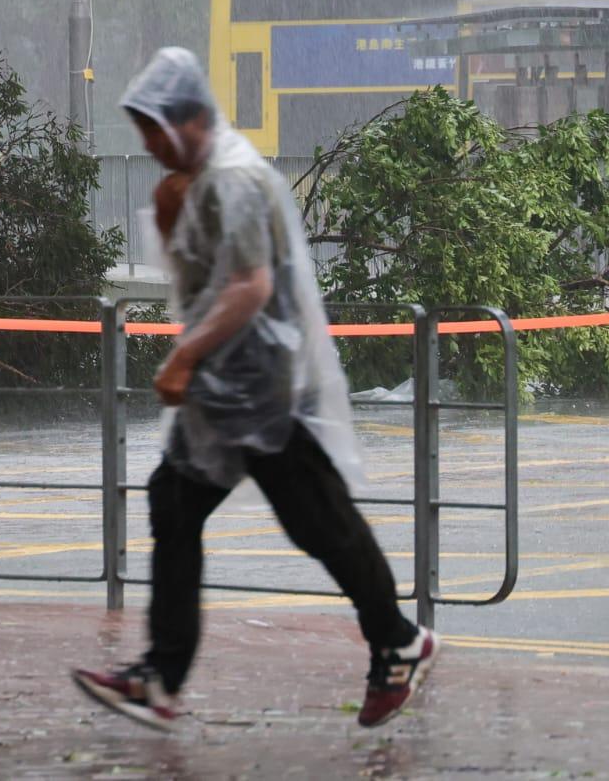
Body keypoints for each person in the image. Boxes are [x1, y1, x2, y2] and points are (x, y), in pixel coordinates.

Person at [72, 47, 437, 732]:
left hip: (259, 387)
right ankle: (164, 673)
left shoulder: (234, 180)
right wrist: (170, 215)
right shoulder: (206, 177)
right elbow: (206, 274)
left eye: (153, 129)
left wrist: (183, 356)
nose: (148, 146)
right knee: (176, 503)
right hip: (228, 385)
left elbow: (249, 286)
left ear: (185, 119)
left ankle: (398, 640)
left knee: (319, 520)